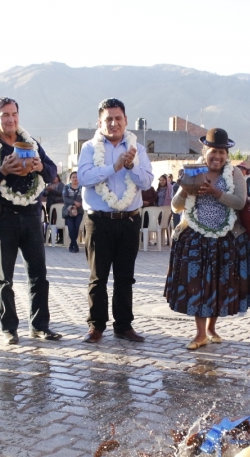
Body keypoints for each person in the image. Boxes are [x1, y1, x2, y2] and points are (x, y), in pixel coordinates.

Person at [0, 97, 60, 345]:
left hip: (32, 216)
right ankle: (9, 328)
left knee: (38, 275)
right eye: (5, 115)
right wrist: (3, 171)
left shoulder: (31, 144)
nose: (10, 119)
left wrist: (40, 165)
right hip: (2, 217)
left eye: (14, 114)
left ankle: (40, 326)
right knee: (4, 278)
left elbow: (52, 173)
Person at [164, 128, 250, 348]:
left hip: (226, 240)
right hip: (197, 239)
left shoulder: (235, 174)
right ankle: (200, 333)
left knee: (219, 285)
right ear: (205, 151)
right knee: (198, 286)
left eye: (222, 152)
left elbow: (240, 202)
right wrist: (186, 188)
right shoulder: (193, 171)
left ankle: (212, 328)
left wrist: (216, 193)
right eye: (214, 151)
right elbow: (176, 207)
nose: (218, 156)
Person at [77, 98, 154, 343]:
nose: (113, 123)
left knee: (125, 276)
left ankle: (123, 326)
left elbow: (147, 182)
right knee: (98, 277)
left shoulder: (137, 149)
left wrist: (130, 166)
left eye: (118, 118)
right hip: (99, 221)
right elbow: (85, 177)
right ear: (100, 122)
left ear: (126, 120)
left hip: (129, 220)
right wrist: (114, 166)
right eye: (108, 119)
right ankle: (96, 326)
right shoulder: (90, 148)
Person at [62, 171, 83, 253]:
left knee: (76, 227)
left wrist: (79, 204)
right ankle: (75, 245)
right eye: (73, 177)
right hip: (69, 211)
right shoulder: (66, 187)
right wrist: (74, 202)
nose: (75, 179)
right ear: (70, 178)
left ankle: (72, 245)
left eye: (76, 177)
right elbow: (65, 198)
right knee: (71, 227)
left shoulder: (82, 187)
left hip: (79, 211)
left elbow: (84, 197)